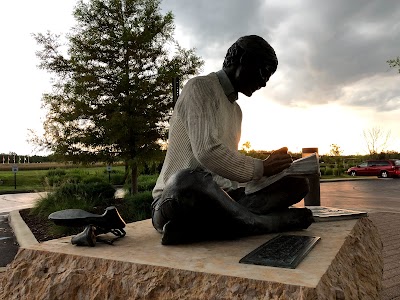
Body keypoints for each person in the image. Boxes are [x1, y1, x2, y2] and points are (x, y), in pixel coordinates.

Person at [152, 35, 313, 245]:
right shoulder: (199, 88)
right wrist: (261, 167)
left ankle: (205, 227)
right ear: (243, 61)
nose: (264, 83)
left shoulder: (236, 111)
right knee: (190, 179)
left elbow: (228, 167)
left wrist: (271, 173)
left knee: (298, 185)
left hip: (223, 199)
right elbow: (207, 152)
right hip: (176, 199)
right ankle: (264, 223)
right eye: (263, 72)